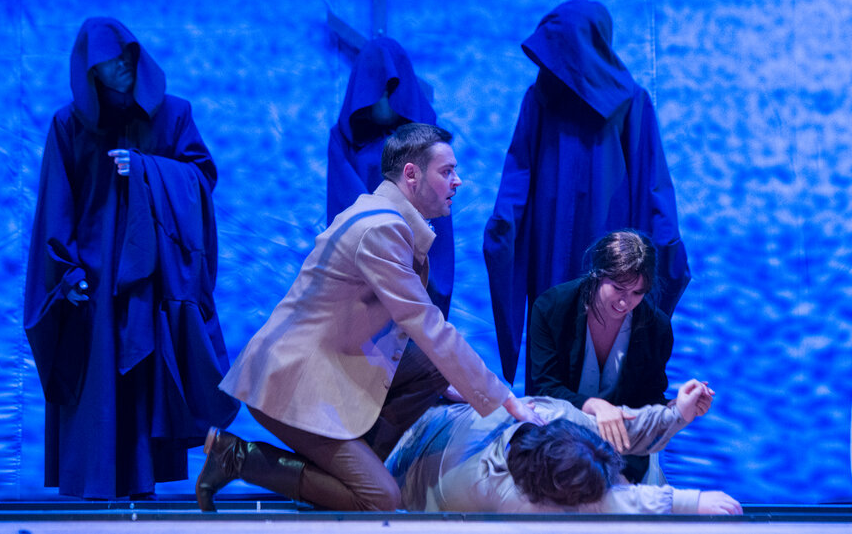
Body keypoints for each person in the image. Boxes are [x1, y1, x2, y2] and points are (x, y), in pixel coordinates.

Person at [200, 123, 538, 512]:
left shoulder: (379, 214)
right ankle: (237, 457)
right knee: (380, 499)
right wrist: (504, 400)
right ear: (411, 175)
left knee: (433, 367)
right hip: (290, 381)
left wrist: (452, 382)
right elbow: (426, 324)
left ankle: (351, 471)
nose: (457, 181)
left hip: (323, 365)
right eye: (447, 171)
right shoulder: (381, 229)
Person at [24, 17, 239, 499]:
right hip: (95, 283)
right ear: (91, 72)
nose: (121, 67)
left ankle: (143, 497)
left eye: (126, 57)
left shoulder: (173, 114)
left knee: (146, 383)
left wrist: (146, 170)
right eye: (108, 62)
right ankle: (100, 502)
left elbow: (202, 179)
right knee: (98, 387)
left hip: (152, 278)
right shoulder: (68, 125)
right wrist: (67, 273)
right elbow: (57, 204)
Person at [483, 0, 690, 392]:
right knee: (589, 335)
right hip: (595, 238)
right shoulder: (610, 98)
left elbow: (516, 179)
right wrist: (666, 247)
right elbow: (653, 186)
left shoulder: (601, 100)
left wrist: (503, 230)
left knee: (577, 336)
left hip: (565, 244)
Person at [386, 379, 741, 515]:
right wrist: (688, 501)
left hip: (438, 419)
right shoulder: (503, 493)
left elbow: (619, 428)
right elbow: (613, 504)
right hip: (406, 470)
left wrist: (677, 413)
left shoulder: (553, 416)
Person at [525, 229, 683, 483]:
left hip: (623, 444)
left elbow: (648, 398)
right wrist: (596, 406)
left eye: (637, 293)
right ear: (597, 274)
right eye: (618, 288)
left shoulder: (657, 327)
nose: (625, 302)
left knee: (628, 492)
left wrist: (678, 408)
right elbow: (546, 387)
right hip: (558, 434)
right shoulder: (551, 308)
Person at [328, 37, 455, 318]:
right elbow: (346, 202)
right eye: (376, 89)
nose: (384, 98)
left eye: (391, 90)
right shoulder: (344, 139)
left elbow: (438, 214)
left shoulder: (427, 140)